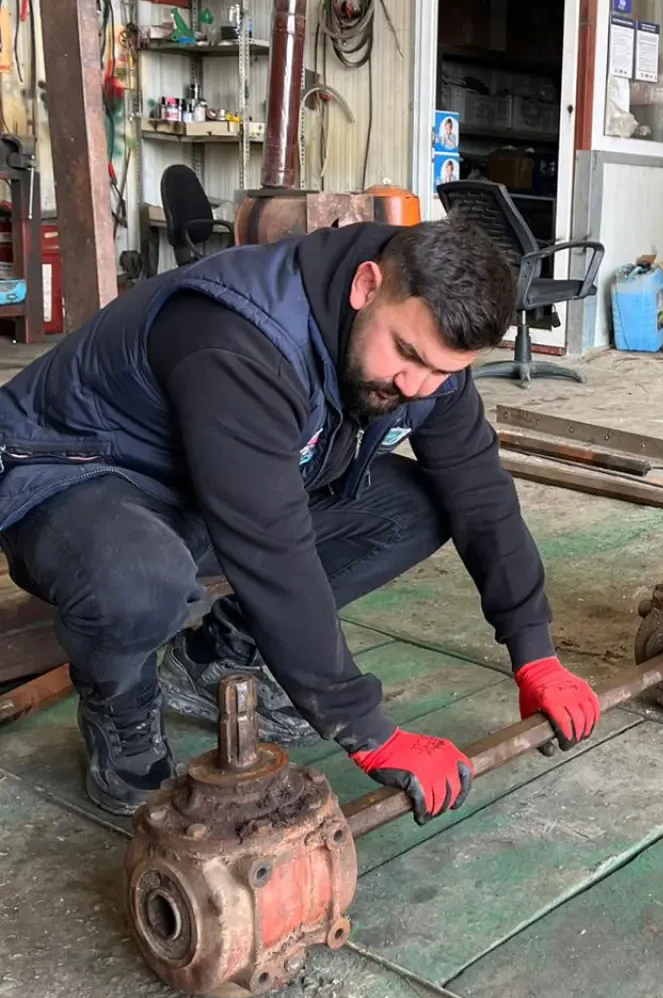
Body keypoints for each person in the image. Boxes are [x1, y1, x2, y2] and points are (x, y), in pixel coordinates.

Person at [0, 219, 600, 815]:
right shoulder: (237, 338)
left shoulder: (418, 353)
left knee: (420, 504)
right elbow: (271, 547)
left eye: (445, 371)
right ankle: (121, 711)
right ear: (366, 286)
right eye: (409, 355)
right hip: (76, 477)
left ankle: (217, 657)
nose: (418, 386)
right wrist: (367, 730)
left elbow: (478, 489)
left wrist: (534, 649)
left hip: (210, 488)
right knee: (140, 580)